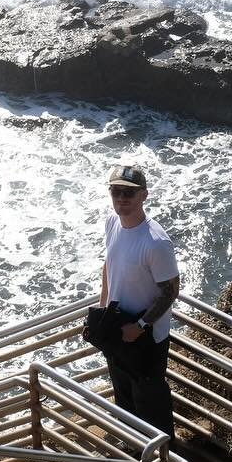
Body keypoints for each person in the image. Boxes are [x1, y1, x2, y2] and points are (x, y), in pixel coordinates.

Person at [96, 164, 179, 444]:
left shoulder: (156, 242)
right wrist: (102, 308)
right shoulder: (111, 222)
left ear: (144, 195)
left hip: (147, 337)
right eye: (116, 191)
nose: (121, 198)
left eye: (129, 193)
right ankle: (134, 449)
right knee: (123, 393)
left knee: (151, 401)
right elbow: (109, 264)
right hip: (117, 325)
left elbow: (170, 291)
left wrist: (141, 326)